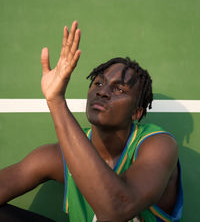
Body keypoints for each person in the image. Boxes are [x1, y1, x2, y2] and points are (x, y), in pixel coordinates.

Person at [0, 21, 183, 221]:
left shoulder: (158, 145)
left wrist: (56, 101)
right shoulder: (59, 155)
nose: (103, 92)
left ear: (136, 113)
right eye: (99, 83)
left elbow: (117, 209)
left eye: (119, 89)